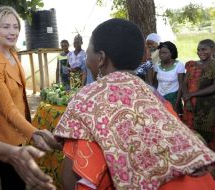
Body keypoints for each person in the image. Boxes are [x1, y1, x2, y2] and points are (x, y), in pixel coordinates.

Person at [53, 18, 215, 190]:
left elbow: (71, 179)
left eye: (88, 53)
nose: (86, 58)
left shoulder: (86, 100)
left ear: (100, 58)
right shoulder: (154, 95)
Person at [0, 6, 61, 190]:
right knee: (13, 181)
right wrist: (35, 133)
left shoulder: (12, 53)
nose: (12, 32)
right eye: (6, 27)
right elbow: (7, 108)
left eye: (15, 26)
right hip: (1, 131)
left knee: (20, 181)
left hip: (16, 125)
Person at [182, 39, 215, 151]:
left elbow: (213, 87)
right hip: (190, 105)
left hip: (208, 108)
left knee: (208, 135)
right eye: (198, 50)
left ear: (213, 50)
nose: (200, 52)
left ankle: (208, 158)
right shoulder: (192, 65)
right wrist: (187, 100)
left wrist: (191, 95)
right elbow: (184, 83)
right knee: (191, 135)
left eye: (204, 49)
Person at [153, 41, 185, 115]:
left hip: (173, 97)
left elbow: (181, 85)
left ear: (171, 53)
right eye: (160, 53)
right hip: (160, 97)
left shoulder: (179, 65)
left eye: (165, 53)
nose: (161, 55)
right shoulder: (157, 65)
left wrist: (177, 103)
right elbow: (156, 83)